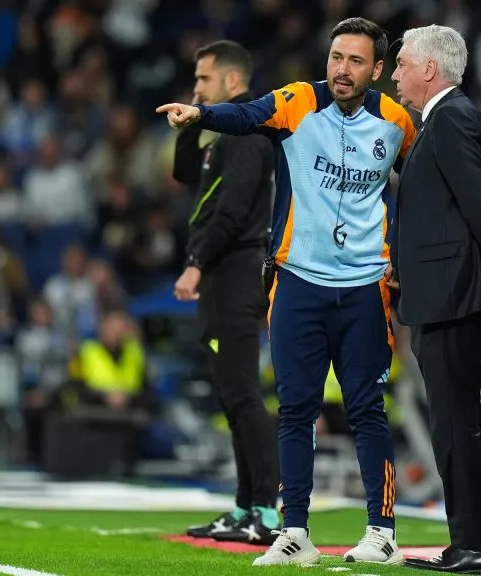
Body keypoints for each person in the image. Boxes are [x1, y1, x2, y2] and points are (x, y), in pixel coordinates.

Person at [157, 17, 416, 567]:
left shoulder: (397, 123)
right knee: (295, 409)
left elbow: (422, 186)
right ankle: (293, 530)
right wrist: (200, 113)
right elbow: (246, 115)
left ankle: (382, 531)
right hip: (297, 283)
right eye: (336, 57)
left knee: (368, 409)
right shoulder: (297, 102)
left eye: (354, 61)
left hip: (366, 287)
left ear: (377, 69)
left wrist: (405, 255)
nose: (341, 70)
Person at [389, 24, 481, 576]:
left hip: (451, 297)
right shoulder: (450, 120)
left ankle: (474, 544)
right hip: (452, 294)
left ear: (429, 69)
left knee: (453, 426)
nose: (395, 73)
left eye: (401, 63)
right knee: (465, 423)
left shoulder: (450, 118)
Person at [170, 40, 281, 546]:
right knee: (231, 396)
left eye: (203, 81)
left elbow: (232, 210)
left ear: (233, 82)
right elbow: (186, 175)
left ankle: (269, 511)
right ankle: (244, 507)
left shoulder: (250, 134)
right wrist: (189, 125)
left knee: (242, 393)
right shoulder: (221, 135)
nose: (196, 89)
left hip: (235, 272)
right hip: (221, 274)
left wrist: (195, 264)